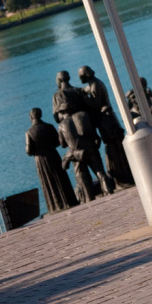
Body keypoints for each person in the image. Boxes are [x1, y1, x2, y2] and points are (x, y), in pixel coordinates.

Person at [52, 71, 113, 201]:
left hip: (74, 143)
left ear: (59, 80)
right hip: (87, 135)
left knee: (81, 174)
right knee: (99, 170)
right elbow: (91, 109)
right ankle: (108, 191)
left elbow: (57, 119)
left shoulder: (58, 96)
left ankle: (88, 198)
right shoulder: (78, 91)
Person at [78, 65, 134, 187]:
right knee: (113, 147)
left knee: (114, 148)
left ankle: (121, 177)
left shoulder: (95, 85)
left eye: (80, 76)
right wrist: (82, 91)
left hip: (107, 121)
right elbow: (87, 90)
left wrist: (83, 99)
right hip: (106, 121)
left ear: (85, 76)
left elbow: (96, 104)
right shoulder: (94, 83)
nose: (80, 79)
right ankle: (121, 176)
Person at [24, 107, 78, 214]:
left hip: (41, 160)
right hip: (53, 155)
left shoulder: (29, 132)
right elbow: (58, 142)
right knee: (61, 178)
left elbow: (29, 151)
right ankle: (69, 201)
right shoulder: (49, 127)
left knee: (47, 182)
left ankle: (55, 205)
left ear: (31, 117)